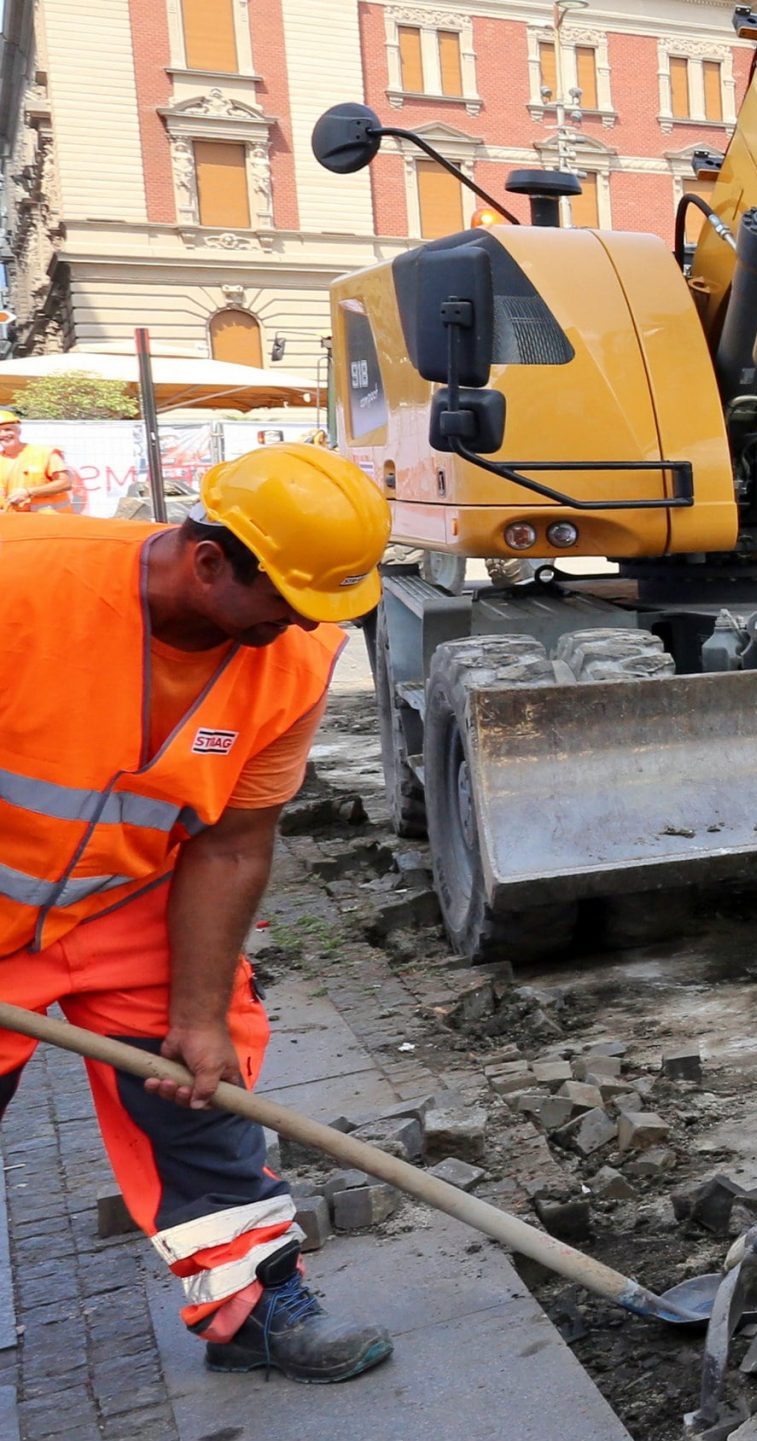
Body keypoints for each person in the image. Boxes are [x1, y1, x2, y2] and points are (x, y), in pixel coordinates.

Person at [0, 443, 397, 1383]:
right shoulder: (22, 585)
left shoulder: (292, 662)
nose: (305, 624)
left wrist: (199, 1012)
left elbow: (230, 844)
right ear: (209, 560)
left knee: (200, 1089)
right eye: (288, 601)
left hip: (128, 895)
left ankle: (253, 1305)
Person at [0, 408, 76, 513]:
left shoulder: (44, 453)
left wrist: (29, 492)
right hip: (17, 522)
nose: (3, 434)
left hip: (51, 522)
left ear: (18, 431)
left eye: (8, 429)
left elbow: (65, 483)